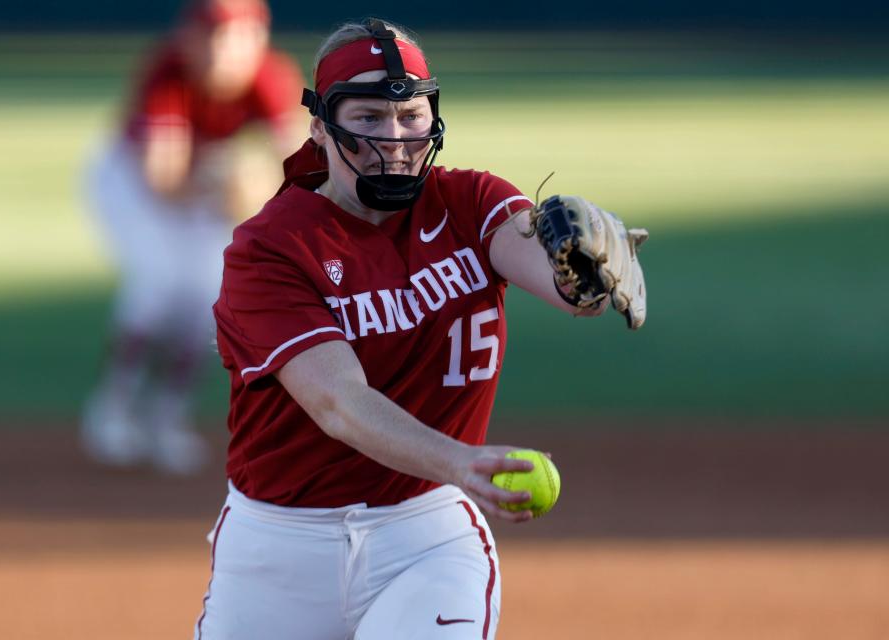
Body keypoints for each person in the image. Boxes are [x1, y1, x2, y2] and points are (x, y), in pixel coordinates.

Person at [196, 18, 647, 639]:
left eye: (410, 115)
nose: (397, 137)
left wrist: (585, 276)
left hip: (425, 537)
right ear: (321, 128)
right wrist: (459, 462)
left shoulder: (472, 202)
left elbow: (555, 279)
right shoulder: (270, 249)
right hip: (276, 553)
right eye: (370, 118)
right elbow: (337, 402)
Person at [80, 0, 304, 474]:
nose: (223, 47)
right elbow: (163, 181)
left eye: (236, 35)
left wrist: (259, 190)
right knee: (159, 283)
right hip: (129, 179)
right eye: (211, 34)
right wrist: (229, 186)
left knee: (208, 295)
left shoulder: (269, 76)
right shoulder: (167, 72)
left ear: (258, 37)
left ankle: (166, 418)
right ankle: (113, 408)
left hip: (202, 180)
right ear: (188, 35)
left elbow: (300, 171)